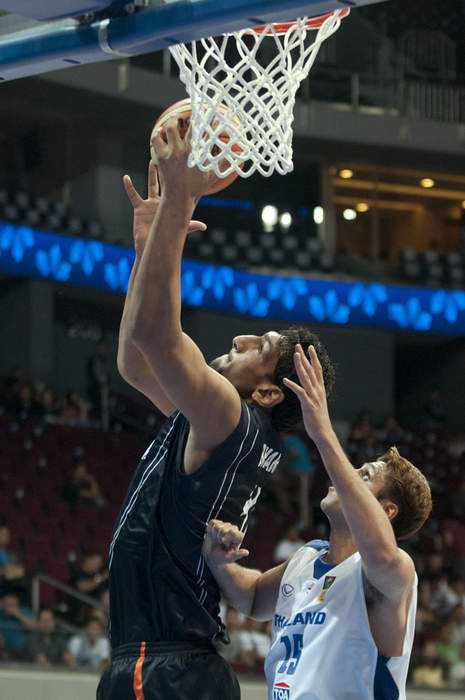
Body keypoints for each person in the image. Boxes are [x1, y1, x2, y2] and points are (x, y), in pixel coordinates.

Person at [97, 123, 335, 700]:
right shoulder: (227, 423)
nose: (248, 336)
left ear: (269, 393)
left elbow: (155, 333)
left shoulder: (228, 413)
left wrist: (178, 205)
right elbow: (135, 362)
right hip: (171, 662)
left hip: (167, 663)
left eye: (265, 347)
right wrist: (147, 247)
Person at [202, 344, 432, 699]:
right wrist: (220, 560)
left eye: (364, 475)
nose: (348, 476)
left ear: (387, 511)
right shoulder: (306, 558)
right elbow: (251, 597)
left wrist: (323, 432)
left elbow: (383, 556)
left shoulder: (393, 572)